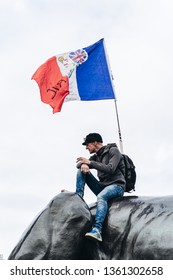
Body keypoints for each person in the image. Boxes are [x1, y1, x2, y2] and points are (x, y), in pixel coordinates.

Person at [76, 133, 125, 242]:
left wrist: (90, 163)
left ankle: (97, 230)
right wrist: (84, 164)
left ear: (95, 142)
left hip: (116, 186)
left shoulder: (113, 151)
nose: (86, 147)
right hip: (103, 186)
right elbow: (78, 164)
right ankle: (78, 197)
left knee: (101, 197)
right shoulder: (96, 156)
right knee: (81, 171)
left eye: (87, 144)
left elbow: (111, 169)